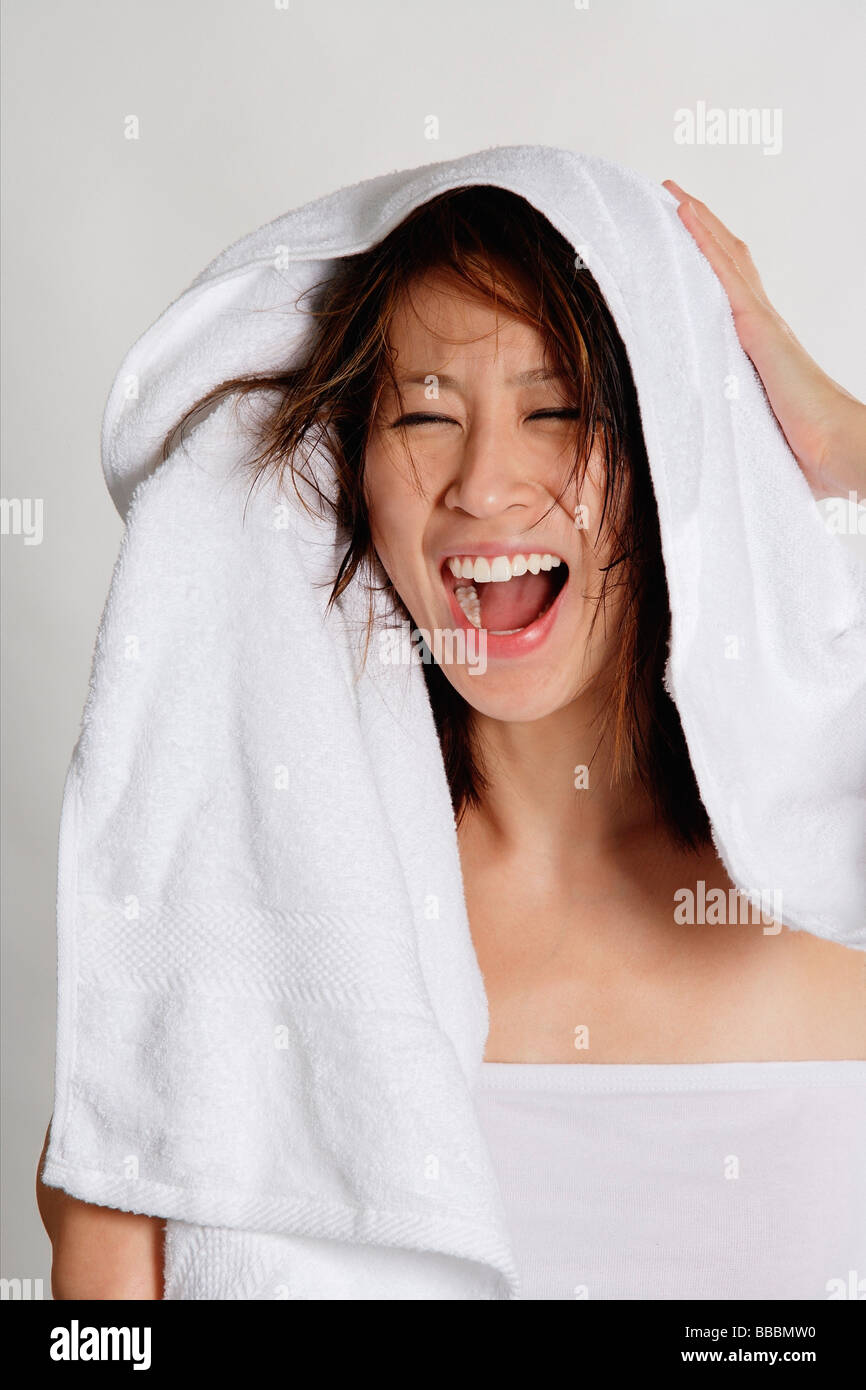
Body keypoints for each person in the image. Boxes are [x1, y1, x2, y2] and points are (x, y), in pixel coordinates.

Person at [37, 179, 866, 1300]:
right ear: (348, 474)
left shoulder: (836, 891)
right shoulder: (246, 948)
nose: (483, 485)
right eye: (425, 414)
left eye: (559, 410)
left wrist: (831, 440)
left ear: (674, 449)